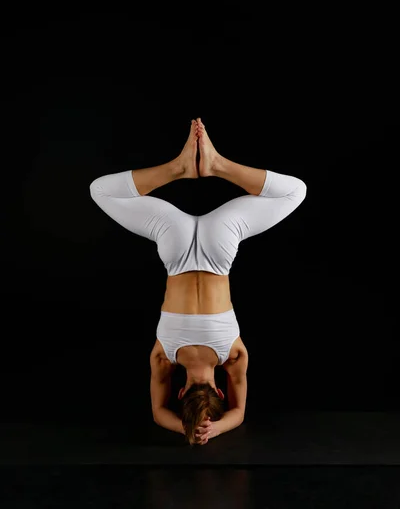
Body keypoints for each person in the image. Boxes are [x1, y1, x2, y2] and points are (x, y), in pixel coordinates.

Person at [89, 118, 307, 446]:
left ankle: (218, 165)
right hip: (174, 247)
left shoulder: (234, 357)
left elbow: (239, 414)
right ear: (181, 390)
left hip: (219, 249)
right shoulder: (164, 358)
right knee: (100, 190)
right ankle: (178, 168)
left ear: (220, 391)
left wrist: (216, 427)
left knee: (295, 191)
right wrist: (185, 427)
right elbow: (158, 412)